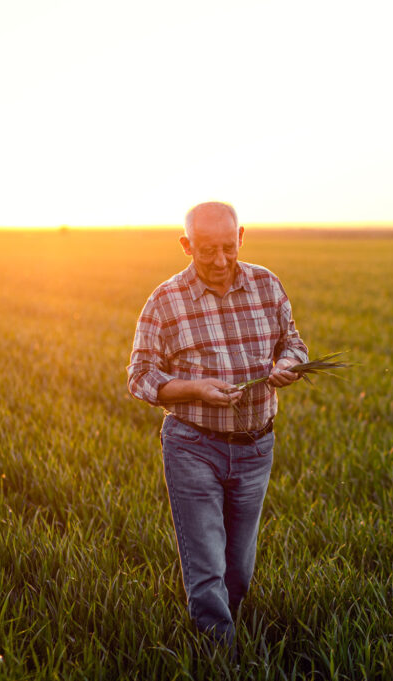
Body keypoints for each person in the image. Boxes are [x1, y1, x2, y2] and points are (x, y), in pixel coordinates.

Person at [127, 201, 308, 647]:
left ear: (241, 237)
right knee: (206, 562)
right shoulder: (165, 301)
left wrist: (288, 365)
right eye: (207, 250)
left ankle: (232, 629)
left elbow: (294, 344)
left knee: (238, 567)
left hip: (255, 447)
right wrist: (195, 389)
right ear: (186, 245)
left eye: (228, 247)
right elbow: (140, 377)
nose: (220, 260)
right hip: (193, 446)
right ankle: (220, 655)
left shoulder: (267, 285)